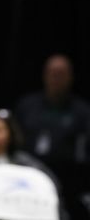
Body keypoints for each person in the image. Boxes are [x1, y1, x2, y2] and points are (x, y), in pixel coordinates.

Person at [14, 54, 90, 219]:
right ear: (44, 75)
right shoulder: (27, 105)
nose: (56, 79)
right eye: (52, 73)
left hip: (68, 180)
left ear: (71, 77)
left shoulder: (82, 111)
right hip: (27, 174)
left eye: (61, 74)